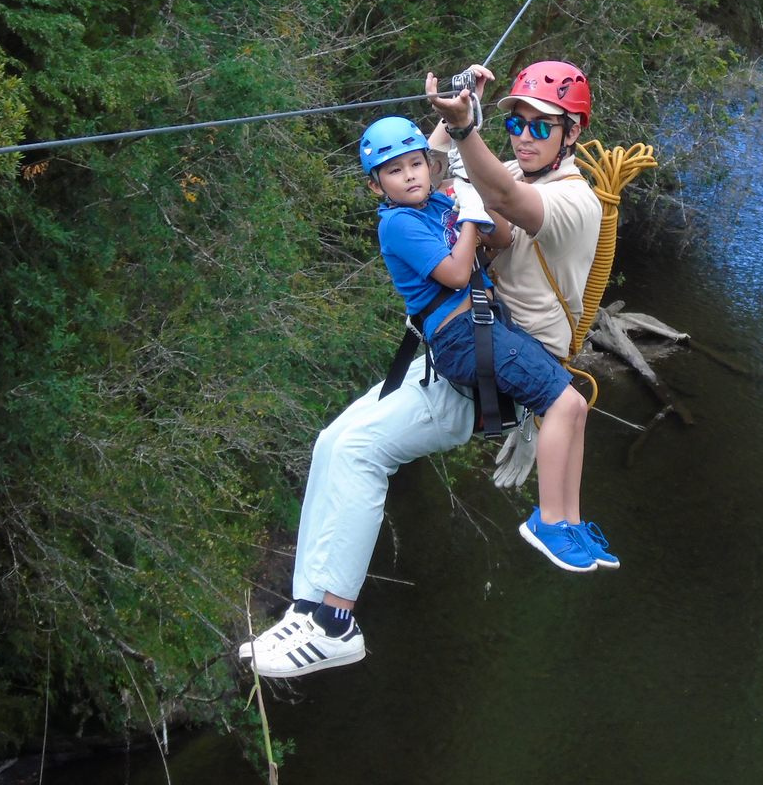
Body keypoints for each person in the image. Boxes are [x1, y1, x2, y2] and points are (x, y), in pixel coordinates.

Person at [242, 61, 614, 679]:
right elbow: (430, 171)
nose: (523, 135)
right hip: (465, 350)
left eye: (540, 127)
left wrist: (470, 127)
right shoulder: (510, 171)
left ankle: (335, 623)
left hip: (490, 367)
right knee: (332, 441)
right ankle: (308, 610)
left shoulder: (576, 201)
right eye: (515, 122)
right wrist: (454, 118)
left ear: (570, 134)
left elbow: (499, 199)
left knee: (361, 452)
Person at [362, 112, 610, 572]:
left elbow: (503, 234)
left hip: (487, 322)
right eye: (395, 171)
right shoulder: (397, 224)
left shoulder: (436, 204)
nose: (410, 175)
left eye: (415, 165)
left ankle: (571, 521)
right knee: (561, 405)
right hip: (459, 337)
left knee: (575, 406)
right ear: (378, 186)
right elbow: (457, 272)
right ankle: (548, 522)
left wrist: (472, 197)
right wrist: (472, 217)